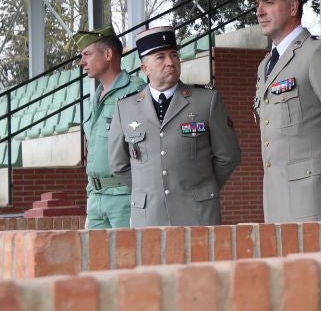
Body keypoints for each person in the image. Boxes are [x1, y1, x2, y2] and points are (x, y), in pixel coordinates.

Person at [108, 26, 241, 226]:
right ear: (145, 68)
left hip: (198, 214)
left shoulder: (207, 100)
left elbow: (228, 156)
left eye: (174, 55)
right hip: (148, 217)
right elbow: (119, 165)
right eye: (160, 57)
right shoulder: (125, 108)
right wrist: (151, 190)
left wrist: (202, 189)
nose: (170, 62)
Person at [251, 0, 321, 223]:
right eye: (257, 4)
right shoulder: (265, 66)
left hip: (317, 199)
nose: (259, 11)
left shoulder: (318, 52)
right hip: (276, 200)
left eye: (269, 2)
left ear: (293, 6)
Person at [73, 24, 146, 229]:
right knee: (95, 260)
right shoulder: (96, 97)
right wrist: (91, 193)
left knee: (127, 259)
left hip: (124, 198)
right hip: (96, 197)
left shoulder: (134, 90)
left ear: (107, 54)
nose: (82, 62)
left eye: (87, 54)